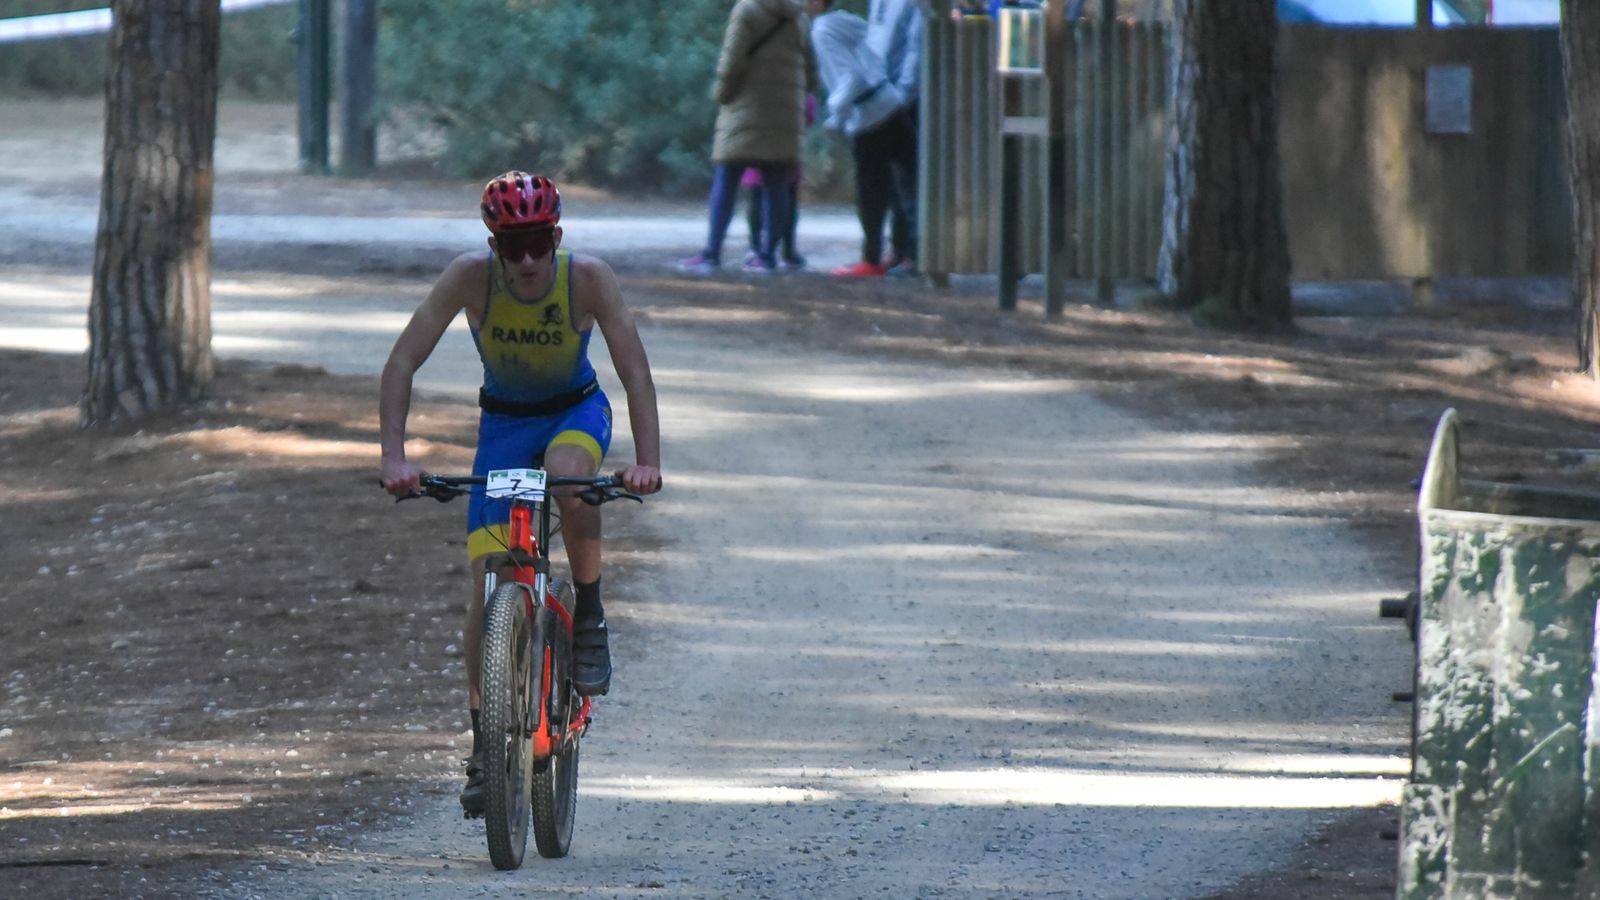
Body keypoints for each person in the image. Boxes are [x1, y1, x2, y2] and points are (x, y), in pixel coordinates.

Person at [379, 171, 662, 816]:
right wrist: (394, 457)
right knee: (487, 580)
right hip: (504, 424)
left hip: (575, 411)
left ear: (556, 237)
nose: (529, 260)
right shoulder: (467, 278)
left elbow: (634, 371)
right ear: (493, 246)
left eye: (538, 242)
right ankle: (486, 745)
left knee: (568, 474)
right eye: (513, 247)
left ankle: (587, 613)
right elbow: (401, 362)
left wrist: (647, 461)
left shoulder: (586, 278)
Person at [678, 0, 817, 275]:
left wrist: (721, 94)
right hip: (784, 116)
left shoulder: (747, 10)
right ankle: (767, 257)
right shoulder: (798, 16)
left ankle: (712, 252)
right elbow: (812, 70)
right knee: (776, 184)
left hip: (746, 109)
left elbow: (732, 59)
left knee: (727, 180)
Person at [806, 0, 914, 279]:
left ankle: (871, 259)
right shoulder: (845, 21)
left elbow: (850, 79)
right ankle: (909, 252)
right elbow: (871, 55)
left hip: (868, 118)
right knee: (908, 180)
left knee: (871, 192)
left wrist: (836, 117)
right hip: (890, 103)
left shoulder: (820, 31)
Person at [865, 0, 923, 277]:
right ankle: (898, 247)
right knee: (888, 177)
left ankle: (915, 252)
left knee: (909, 177)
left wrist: (903, 94)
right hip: (880, 94)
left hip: (904, 99)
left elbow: (916, 46)